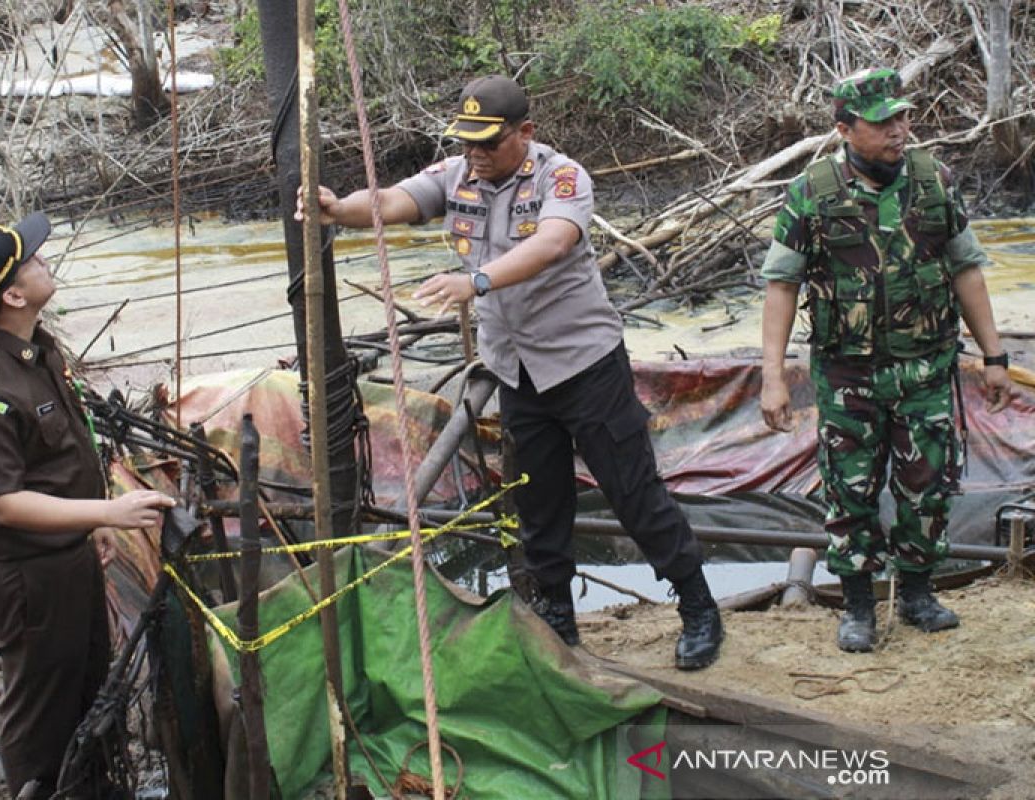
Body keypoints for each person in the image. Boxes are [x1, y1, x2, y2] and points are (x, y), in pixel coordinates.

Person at [296, 74, 722, 670]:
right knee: (539, 500)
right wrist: (338, 209)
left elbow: (551, 244)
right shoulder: (458, 175)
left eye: (489, 142)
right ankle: (557, 617)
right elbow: (394, 200)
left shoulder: (561, 178)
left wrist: (475, 280)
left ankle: (697, 604)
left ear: (525, 132)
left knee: (632, 492)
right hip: (517, 371)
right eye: (467, 140)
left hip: (583, 363)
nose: (476, 153)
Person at [759, 67, 1013, 652]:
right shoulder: (813, 191)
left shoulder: (935, 181)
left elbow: (967, 268)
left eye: (902, 116)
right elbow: (780, 286)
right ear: (846, 129)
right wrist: (773, 378)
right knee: (851, 490)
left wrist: (994, 354)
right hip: (849, 376)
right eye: (883, 122)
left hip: (925, 370)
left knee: (928, 485)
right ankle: (857, 605)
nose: (900, 130)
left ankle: (919, 592)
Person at [0, 213, 175, 798]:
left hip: (64, 555)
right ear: (13, 293)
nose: (47, 261)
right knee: (41, 707)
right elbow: (3, 504)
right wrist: (107, 515)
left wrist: (88, 522)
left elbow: (54, 461)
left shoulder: (33, 349)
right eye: (33, 261)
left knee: (88, 683)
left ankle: (92, 787)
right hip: (27, 575)